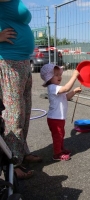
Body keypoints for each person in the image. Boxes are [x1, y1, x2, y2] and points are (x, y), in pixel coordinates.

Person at [0, 0, 42, 180]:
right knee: (14, 113)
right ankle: (13, 163)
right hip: (9, 62)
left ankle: (22, 152)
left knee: (24, 112)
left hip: (24, 62)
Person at [40, 64, 81, 161]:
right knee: (57, 136)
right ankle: (57, 154)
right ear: (49, 78)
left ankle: (60, 149)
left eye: (60, 74)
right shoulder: (52, 87)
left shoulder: (57, 87)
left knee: (61, 134)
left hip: (59, 118)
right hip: (54, 118)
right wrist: (74, 76)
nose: (59, 76)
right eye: (56, 75)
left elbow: (66, 97)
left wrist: (74, 92)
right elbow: (66, 88)